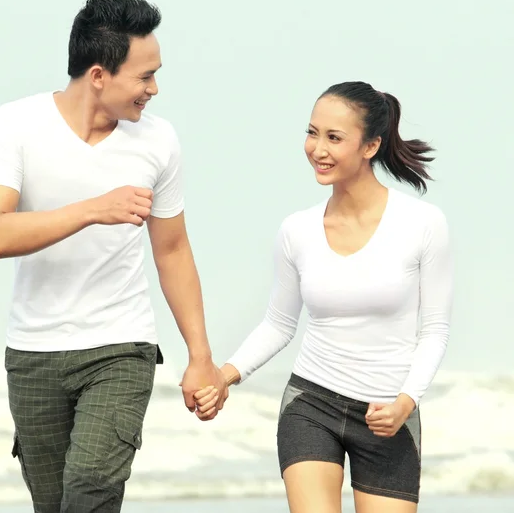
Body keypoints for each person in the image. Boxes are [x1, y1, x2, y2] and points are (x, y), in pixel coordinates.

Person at [0, 0, 227, 513]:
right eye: (144, 76)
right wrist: (91, 209)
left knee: (89, 489)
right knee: (53, 504)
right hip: (33, 353)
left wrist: (201, 357)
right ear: (98, 75)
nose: (154, 89)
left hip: (120, 347)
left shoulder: (158, 140)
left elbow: (172, 249)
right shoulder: (15, 125)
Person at [194, 81, 453, 512]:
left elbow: (435, 330)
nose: (317, 148)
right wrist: (225, 375)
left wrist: (406, 401)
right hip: (311, 404)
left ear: (370, 145)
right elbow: (279, 323)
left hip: (390, 413)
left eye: (334, 137)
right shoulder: (297, 230)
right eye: (312, 133)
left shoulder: (423, 224)